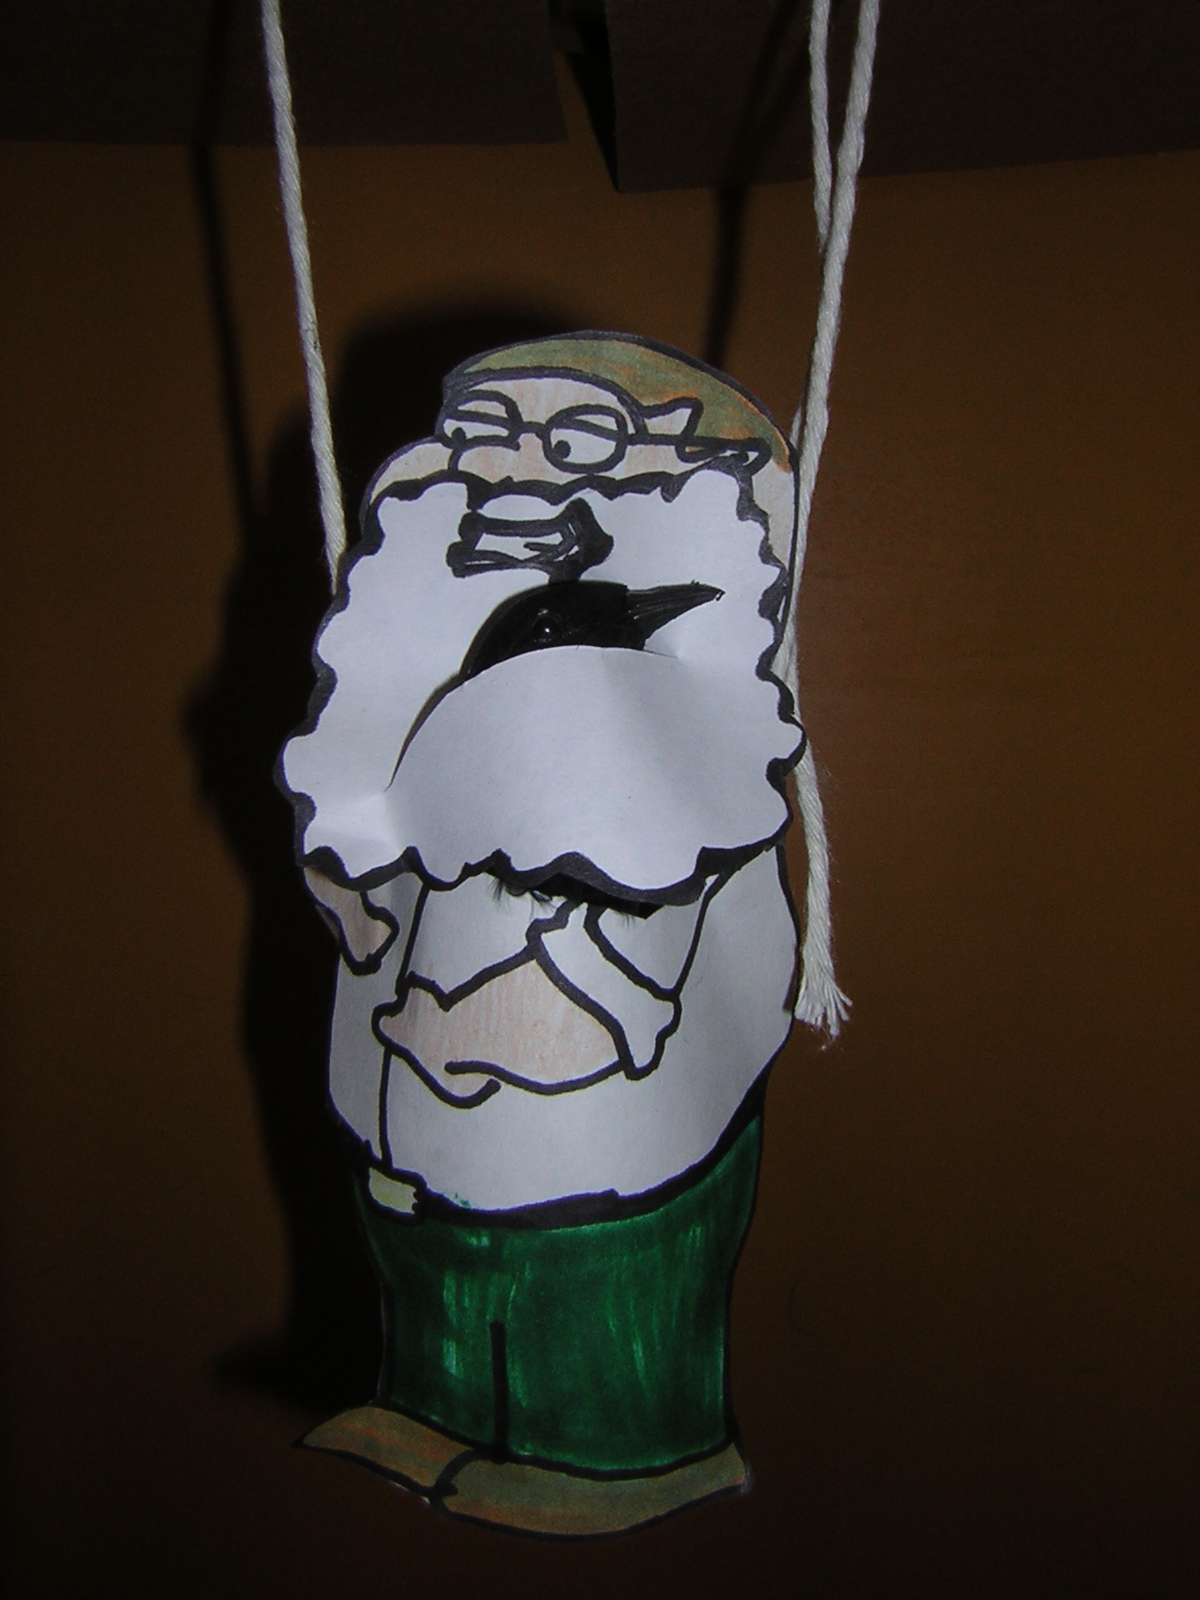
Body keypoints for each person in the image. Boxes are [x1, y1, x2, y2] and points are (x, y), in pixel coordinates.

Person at [279, 332, 803, 1535]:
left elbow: (647, 933)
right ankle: (432, 1409)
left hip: (605, 1177)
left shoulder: (686, 751)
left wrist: (518, 1012)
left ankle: (615, 1452)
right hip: (413, 1147)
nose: (507, 476)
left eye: (577, 438)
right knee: (437, 1296)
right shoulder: (425, 682)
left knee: (584, 1325)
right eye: (479, 435)